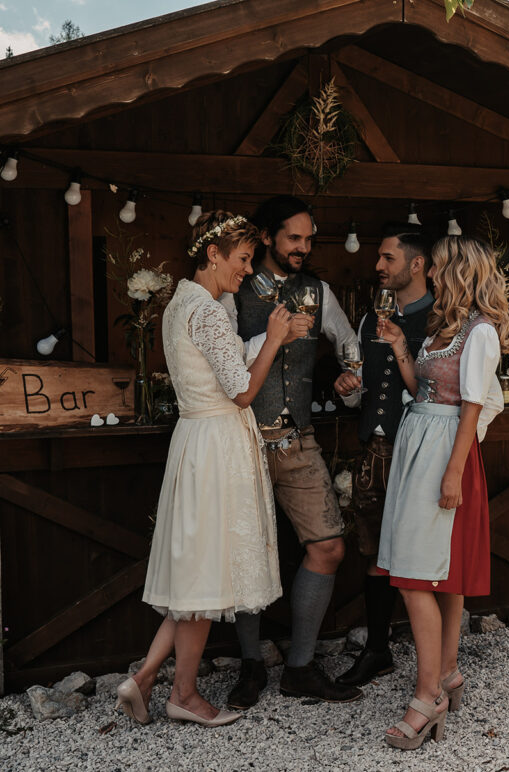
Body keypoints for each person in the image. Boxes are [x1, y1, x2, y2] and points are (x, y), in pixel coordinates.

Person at [115, 211, 292, 727]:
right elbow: (242, 391)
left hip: (195, 438)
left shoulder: (180, 305)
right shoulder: (209, 313)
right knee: (205, 577)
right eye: (241, 260)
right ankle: (184, 695)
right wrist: (275, 338)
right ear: (213, 254)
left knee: (197, 569)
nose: (246, 270)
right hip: (217, 444)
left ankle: (146, 678)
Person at [222, 195, 363, 708]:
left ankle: (300, 667)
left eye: (309, 239)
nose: (304, 248)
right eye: (293, 239)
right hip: (242, 442)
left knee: (328, 547)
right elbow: (219, 364)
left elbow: (349, 343)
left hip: (298, 440)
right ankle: (251, 664)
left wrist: (352, 378)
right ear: (266, 237)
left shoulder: (317, 290)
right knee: (247, 557)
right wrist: (272, 337)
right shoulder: (232, 292)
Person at [375, 236, 509, 750]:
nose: (429, 276)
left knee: (415, 575)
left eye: (435, 269)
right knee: (441, 574)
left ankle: (427, 695)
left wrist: (453, 474)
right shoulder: (443, 327)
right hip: (420, 442)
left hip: (444, 454)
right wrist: (398, 347)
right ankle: (449, 674)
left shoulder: (479, 332)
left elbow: (473, 406)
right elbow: (421, 391)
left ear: (456, 272)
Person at [332, 224, 434, 687]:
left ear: (416, 264)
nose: (378, 266)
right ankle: (378, 650)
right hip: (374, 448)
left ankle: (438, 661)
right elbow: (361, 384)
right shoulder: (368, 319)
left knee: (418, 552)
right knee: (373, 549)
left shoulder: (442, 319)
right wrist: (349, 391)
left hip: (417, 451)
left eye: (387, 258)